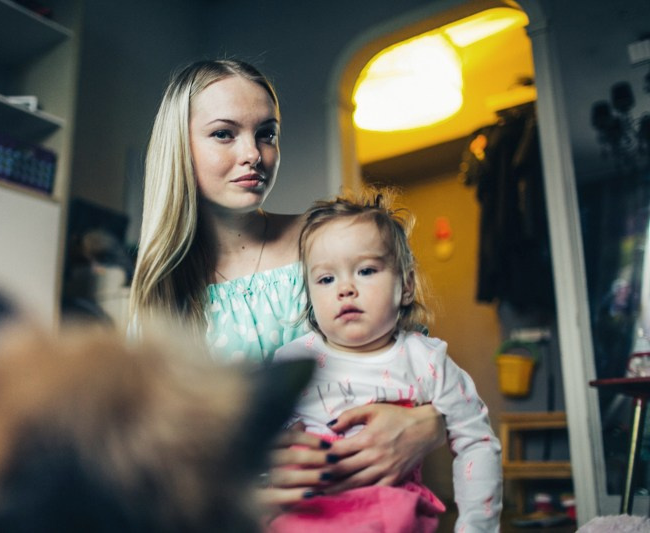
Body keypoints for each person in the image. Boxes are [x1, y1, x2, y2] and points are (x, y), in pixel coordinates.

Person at [128, 58, 446, 506]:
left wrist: (428, 425)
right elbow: (159, 467)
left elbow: (425, 369)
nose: (253, 154)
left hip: (370, 511)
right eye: (224, 133)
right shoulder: (162, 294)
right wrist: (253, 499)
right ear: (179, 146)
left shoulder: (326, 241)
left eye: (266, 133)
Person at [270, 187, 502, 532]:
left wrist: (476, 527)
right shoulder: (293, 361)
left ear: (406, 286)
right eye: (326, 278)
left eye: (365, 270)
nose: (344, 288)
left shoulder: (425, 360)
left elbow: (477, 442)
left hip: (389, 513)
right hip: (306, 516)